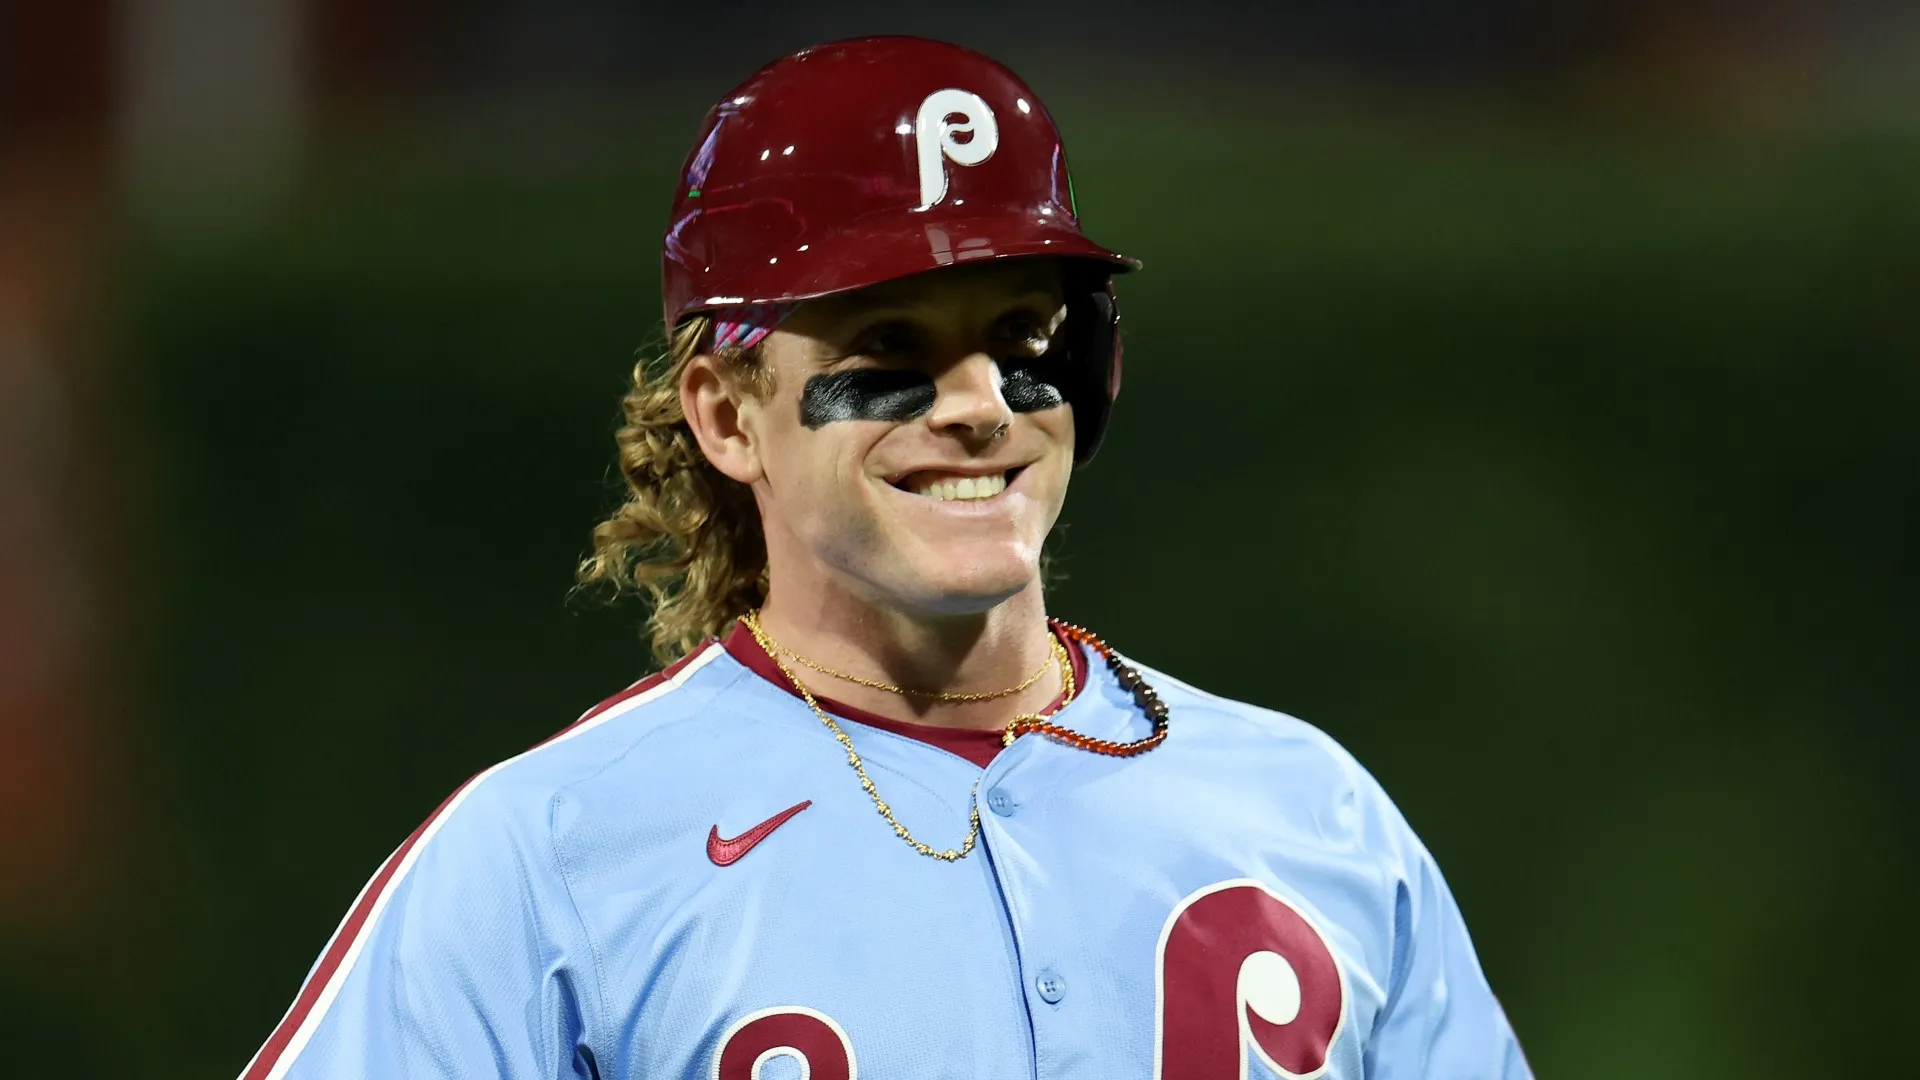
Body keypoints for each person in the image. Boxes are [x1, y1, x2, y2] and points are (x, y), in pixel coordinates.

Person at [238, 35, 1530, 1080]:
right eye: (890, 351)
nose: (979, 404)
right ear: (728, 417)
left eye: (1020, 336)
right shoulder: (550, 859)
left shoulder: (1314, 815)